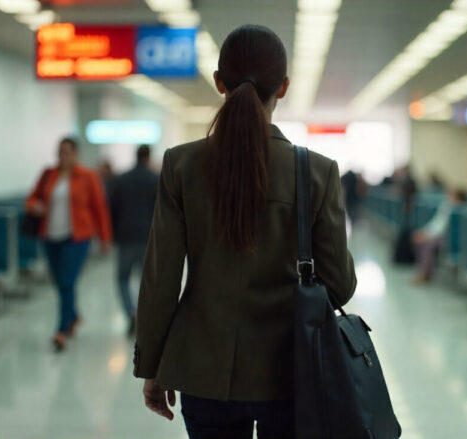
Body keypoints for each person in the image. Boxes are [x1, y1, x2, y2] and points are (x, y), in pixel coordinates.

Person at [133, 25, 356, 438]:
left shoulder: (181, 165)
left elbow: (160, 278)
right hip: (291, 372)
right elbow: (339, 285)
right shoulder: (318, 173)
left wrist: (152, 366)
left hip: (203, 369)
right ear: (284, 87)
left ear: (219, 82)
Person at [25, 137, 112, 351]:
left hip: (77, 238)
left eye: (67, 151)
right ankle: (73, 316)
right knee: (59, 282)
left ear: (75, 154)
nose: (62, 155)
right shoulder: (49, 175)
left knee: (66, 282)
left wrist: (105, 238)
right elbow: (31, 198)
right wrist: (33, 206)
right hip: (50, 236)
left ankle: (61, 330)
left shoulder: (88, 176)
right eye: (60, 151)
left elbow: (99, 208)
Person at [109, 145, 158, 336]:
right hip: (147, 236)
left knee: (122, 277)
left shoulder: (121, 179)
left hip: (125, 237)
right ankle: (145, 316)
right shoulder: (155, 179)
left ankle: (130, 312)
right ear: (148, 157)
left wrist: (114, 233)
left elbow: (112, 208)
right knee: (145, 280)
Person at [412, 189, 467, 284]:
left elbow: (442, 229)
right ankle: (424, 272)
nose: (450, 197)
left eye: (453, 196)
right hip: (438, 235)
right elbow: (436, 223)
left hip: (446, 238)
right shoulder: (446, 207)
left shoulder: (463, 212)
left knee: (428, 245)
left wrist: (427, 236)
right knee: (423, 242)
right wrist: (425, 233)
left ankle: (424, 275)